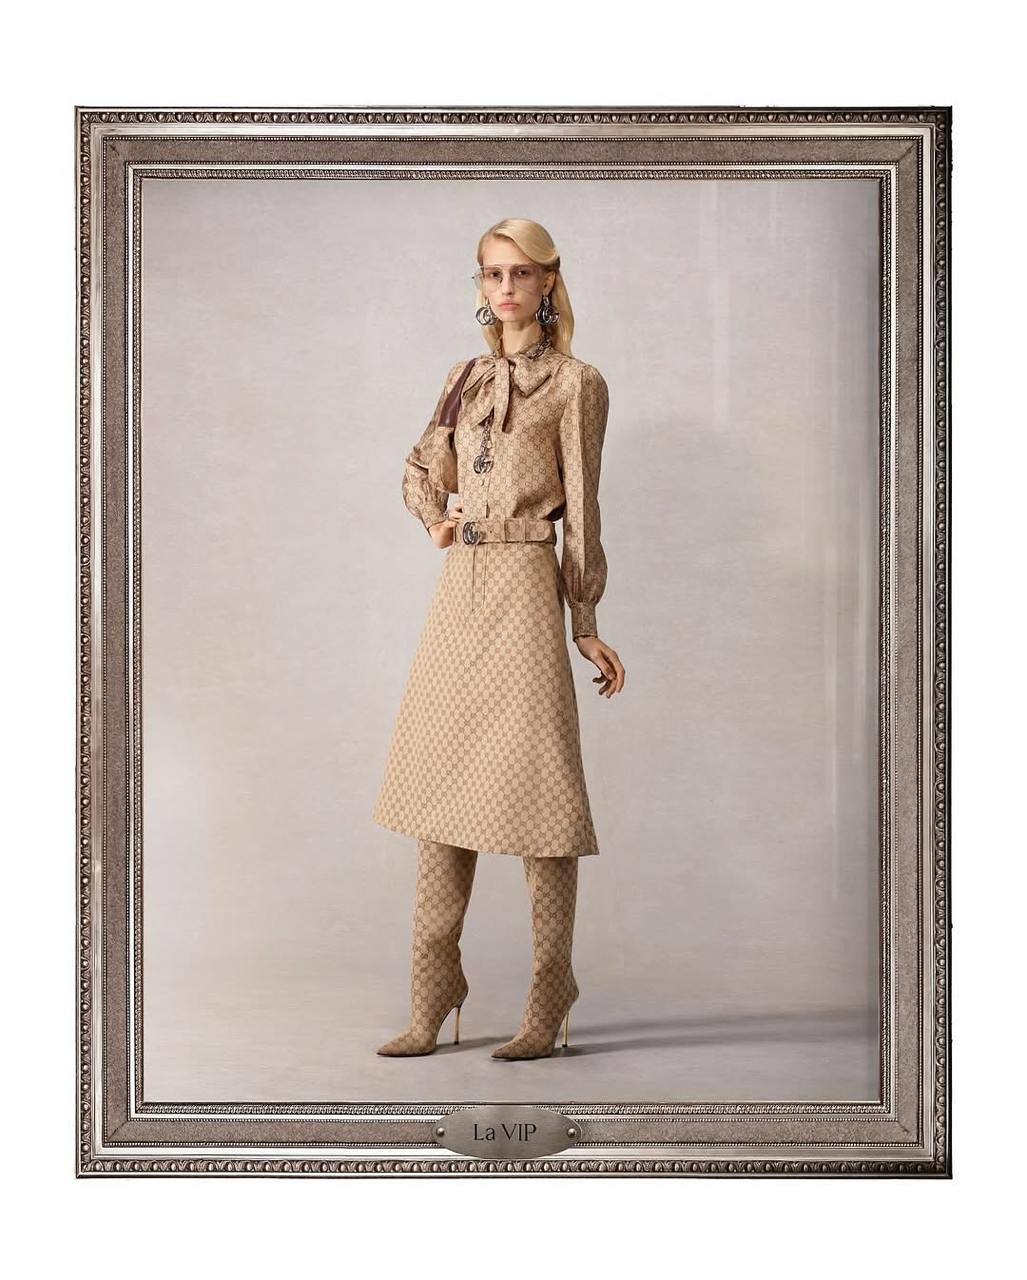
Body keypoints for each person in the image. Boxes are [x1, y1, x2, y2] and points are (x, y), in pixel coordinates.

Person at [371, 217, 625, 1060]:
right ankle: (432, 989)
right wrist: (434, 517)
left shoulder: (576, 384)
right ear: (478, 285)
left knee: (539, 796)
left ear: (548, 281)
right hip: (459, 595)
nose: (505, 288)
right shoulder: (464, 377)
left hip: (523, 590)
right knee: (438, 793)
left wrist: (584, 620)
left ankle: (550, 990)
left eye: (520, 273)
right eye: (491, 273)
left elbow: (581, 509)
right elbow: (422, 467)